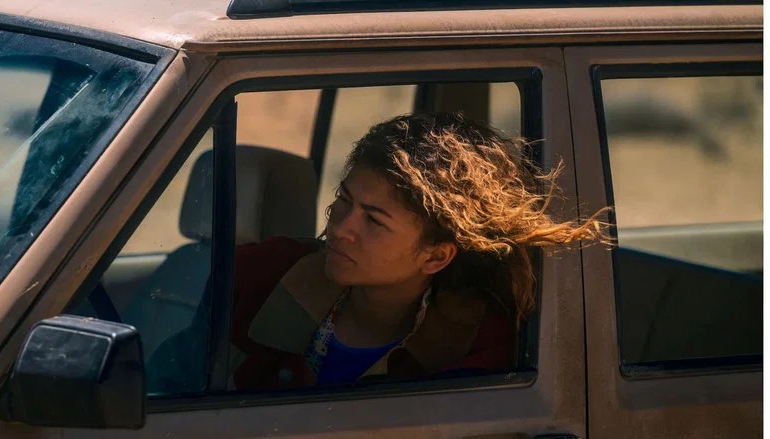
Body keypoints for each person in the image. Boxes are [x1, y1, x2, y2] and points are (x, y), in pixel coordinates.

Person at [230, 112, 608, 389]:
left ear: (435, 256)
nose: (341, 228)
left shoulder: (475, 348)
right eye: (344, 200)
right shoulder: (269, 272)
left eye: (374, 220)